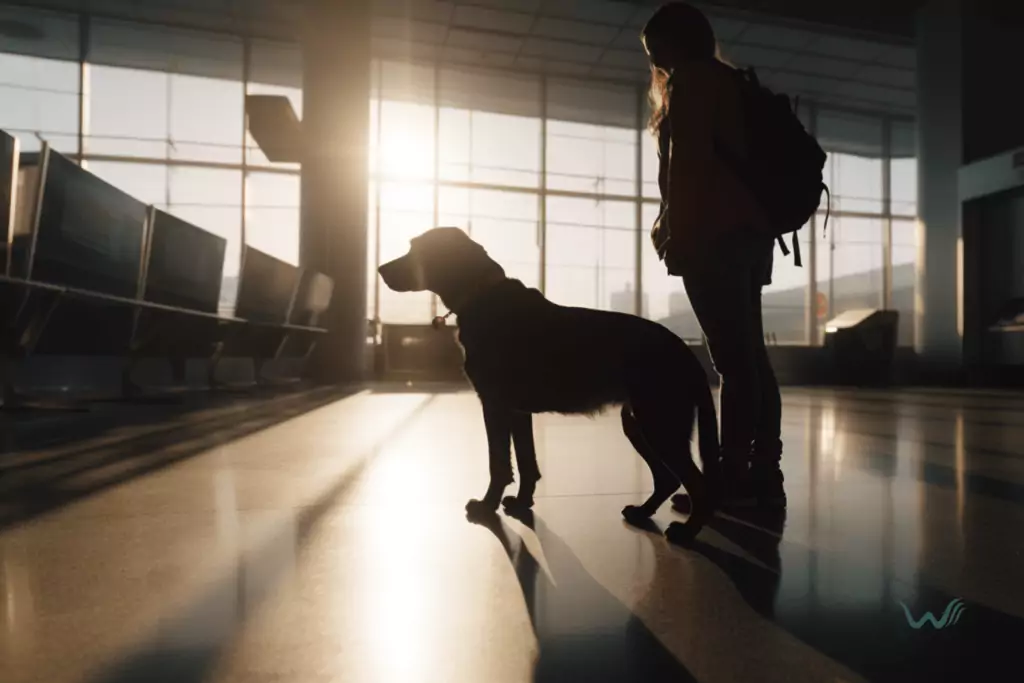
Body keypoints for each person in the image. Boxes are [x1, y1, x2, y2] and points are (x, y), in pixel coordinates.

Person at [641, 2, 785, 508]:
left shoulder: (692, 84)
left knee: (733, 362)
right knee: (751, 359)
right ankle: (765, 471)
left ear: (672, 43)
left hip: (712, 237)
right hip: (751, 234)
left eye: (654, 48)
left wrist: (674, 233)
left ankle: (729, 479)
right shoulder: (733, 82)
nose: (653, 58)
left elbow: (689, 168)